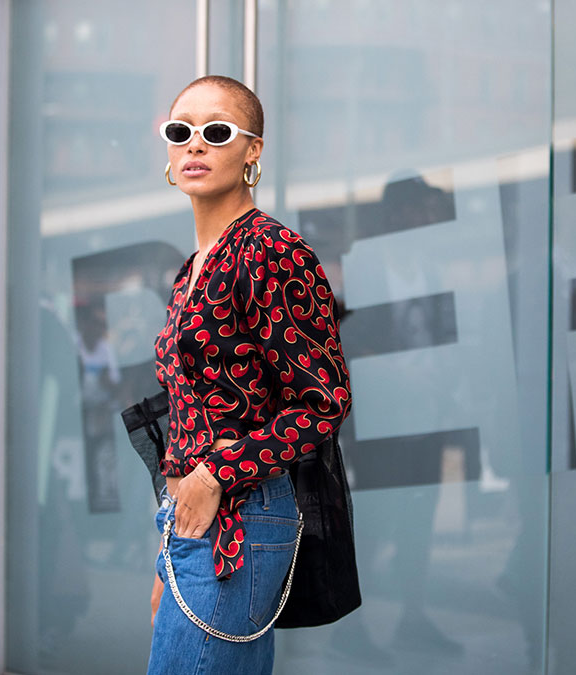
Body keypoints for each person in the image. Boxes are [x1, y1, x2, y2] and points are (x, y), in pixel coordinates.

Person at [147, 75, 352, 674]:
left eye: (216, 132)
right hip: (191, 521)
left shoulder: (270, 249)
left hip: (240, 516)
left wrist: (215, 475)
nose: (194, 146)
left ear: (252, 149)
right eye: (180, 132)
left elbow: (324, 400)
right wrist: (168, 547)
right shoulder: (194, 268)